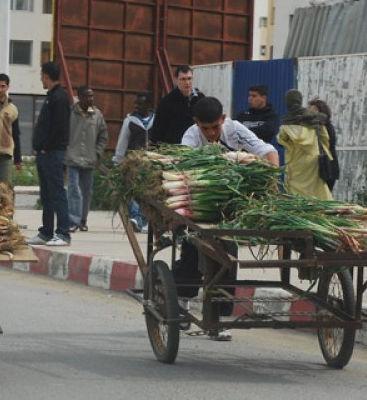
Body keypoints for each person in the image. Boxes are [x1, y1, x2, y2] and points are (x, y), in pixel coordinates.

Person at [178, 97, 279, 342]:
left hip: (229, 204)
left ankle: (221, 316)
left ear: (223, 119)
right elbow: (186, 168)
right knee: (191, 248)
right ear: (197, 123)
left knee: (228, 255)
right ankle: (182, 299)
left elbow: (268, 151)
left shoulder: (235, 129)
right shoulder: (191, 137)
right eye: (206, 128)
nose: (211, 133)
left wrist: (273, 181)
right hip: (199, 203)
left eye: (215, 127)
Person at [28, 62, 72, 247]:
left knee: (57, 193)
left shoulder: (59, 98)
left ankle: (63, 233)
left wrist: (46, 146)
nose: (40, 79)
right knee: (46, 194)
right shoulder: (51, 96)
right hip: (45, 154)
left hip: (53, 153)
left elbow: (60, 128)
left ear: (46, 76)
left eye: (41, 75)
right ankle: (46, 232)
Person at [65, 86, 108, 233]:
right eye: (88, 96)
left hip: (89, 159)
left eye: (92, 96)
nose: (91, 99)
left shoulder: (97, 115)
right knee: (73, 190)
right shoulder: (70, 113)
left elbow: (103, 136)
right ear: (80, 97)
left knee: (86, 192)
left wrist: (97, 153)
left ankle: (83, 220)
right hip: (72, 158)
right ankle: (73, 220)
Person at [277, 89, 332, 200]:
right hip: (313, 159)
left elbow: (281, 139)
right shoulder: (314, 117)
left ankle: (299, 210)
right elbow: (325, 137)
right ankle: (323, 210)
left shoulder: (287, 121)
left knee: (294, 190)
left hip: (295, 160)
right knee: (316, 189)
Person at [113, 93, 155, 232]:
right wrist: (117, 161)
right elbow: (122, 141)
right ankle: (136, 218)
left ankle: (142, 219)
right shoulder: (130, 121)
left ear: (148, 106)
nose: (136, 106)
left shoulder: (156, 120)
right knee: (135, 190)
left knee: (148, 192)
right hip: (134, 162)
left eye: (140, 104)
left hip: (152, 162)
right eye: (135, 104)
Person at [149, 65, 203, 145]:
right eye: (183, 79)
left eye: (189, 78)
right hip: (174, 147)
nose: (187, 83)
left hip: (196, 145)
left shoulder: (200, 99)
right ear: (176, 80)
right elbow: (158, 128)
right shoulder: (167, 102)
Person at [308, 98, 339, 191]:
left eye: (314, 111)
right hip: (321, 167)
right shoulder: (314, 126)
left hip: (327, 168)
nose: (310, 114)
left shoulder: (325, 127)